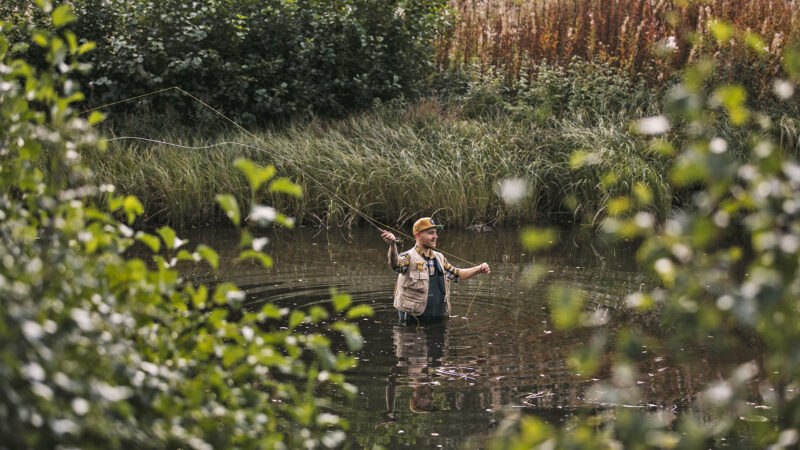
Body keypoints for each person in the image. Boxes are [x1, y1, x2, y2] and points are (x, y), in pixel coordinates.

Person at [381, 217, 490, 323]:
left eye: (435, 233)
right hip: (412, 322)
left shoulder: (440, 258)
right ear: (418, 235)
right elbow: (395, 265)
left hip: (437, 318)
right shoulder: (408, 257)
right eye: (430, 233)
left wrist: (478, 269)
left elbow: (457, 274)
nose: (435, 236)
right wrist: (392, 245)